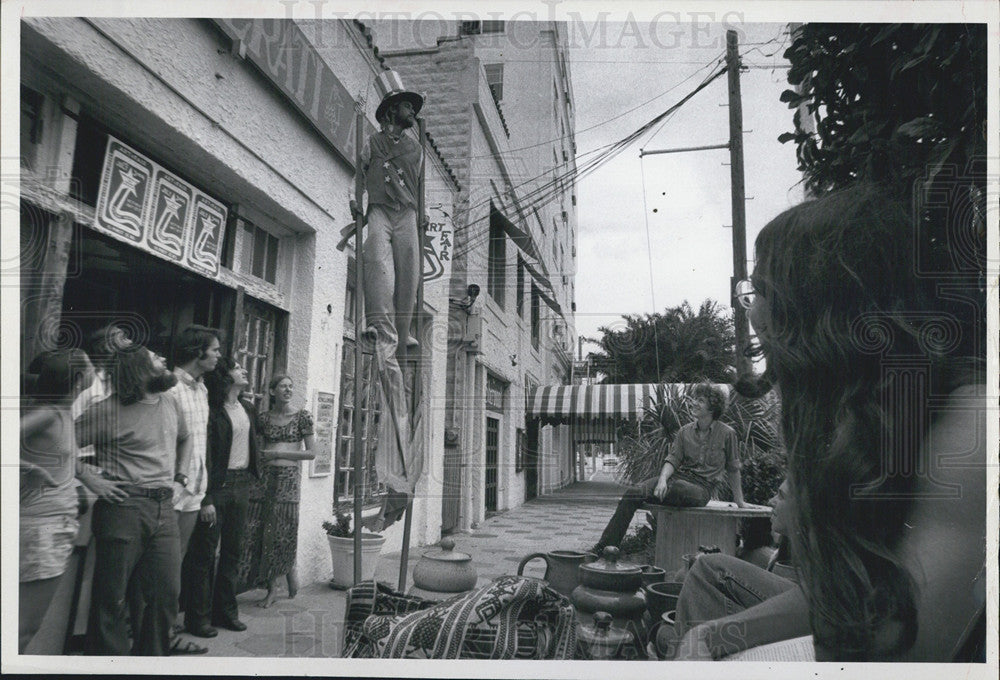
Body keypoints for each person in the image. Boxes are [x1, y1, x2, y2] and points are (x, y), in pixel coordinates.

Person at [681, 185, 986, 661]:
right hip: (856, 622)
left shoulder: (972, 427)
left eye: (760, 290)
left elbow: (899, 644)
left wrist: (811, 522)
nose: (753, 311)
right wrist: (716, 636)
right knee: (709, 576)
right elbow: (859, 586)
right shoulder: (860, 415)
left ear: (822, 310)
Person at [75, 346, 191, 655]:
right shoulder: (107, 410)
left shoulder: (169, 401)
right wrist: (90, 478)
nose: (165, 359)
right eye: (156, 358)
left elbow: (186, 437)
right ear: (139, 371)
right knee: (111, 599)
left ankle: (150, 663)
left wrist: (180, 477)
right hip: (123, 506)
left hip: (164, 507)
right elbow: (59, 444)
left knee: (164, 596)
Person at [592, 383, 745, 553]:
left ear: (712, 408)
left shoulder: (727, 433)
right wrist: (662, 480)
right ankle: (604, 547)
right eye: (695, 399)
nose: (693, 403)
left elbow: (733, 469)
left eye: (700, 400)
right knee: (633, 493)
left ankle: (658, 496)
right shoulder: (684, 432)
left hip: (702, 488)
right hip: (676, 480)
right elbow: (673, 459)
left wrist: (739, 501)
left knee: (678, 488)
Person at [667, 479, 805, 659]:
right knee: (695, 580)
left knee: (708, 567)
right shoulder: (784, 551)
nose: (770, 501)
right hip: (794, 603)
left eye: (781, 496)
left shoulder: (824, 551)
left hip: (806, 609)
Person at [19, 349, 95, 653]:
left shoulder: (62, 412)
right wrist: (28, 468)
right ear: (78, 379)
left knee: (25, 628)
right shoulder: (48, 412)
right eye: (90, 367)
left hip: (53, 527)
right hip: (42, 529)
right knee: (24, 628)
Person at [183, 358, 260, 635]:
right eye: (238, 368)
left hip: (242, 485)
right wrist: (207, 498)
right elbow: (205, 454)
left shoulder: (248, 408)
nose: (244, 370)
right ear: (226, 377)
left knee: (233, 553)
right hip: (218, 486)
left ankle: (225, 612)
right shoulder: (212, 410)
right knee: (204, 555)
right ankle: (197, 618)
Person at [238, 374, 315, 608]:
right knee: (260, 529)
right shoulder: (263, 418)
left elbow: (310, 453)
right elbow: (255, 446)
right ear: (272, 392)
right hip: (264, 480)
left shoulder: (302, 417)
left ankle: (277, 585)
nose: (288, 390)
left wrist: (278, 454)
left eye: (291, 386)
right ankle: (275, 580)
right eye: (283, 386)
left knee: (283, 529)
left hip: (288, 480)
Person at [167, 326, 221, 638]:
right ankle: (159, 627)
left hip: (195, 491)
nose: (218, 355)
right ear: (196, 351)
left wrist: (204, 492)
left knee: (179, 560)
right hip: (174, 488)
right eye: (213, 349)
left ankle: (168, 624)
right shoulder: (171, 387)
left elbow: (201, 443)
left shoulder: (202, 390)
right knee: (165, 562)